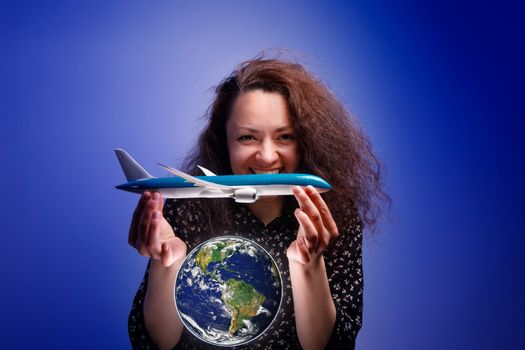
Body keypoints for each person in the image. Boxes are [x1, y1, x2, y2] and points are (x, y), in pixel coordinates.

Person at [127, 55, 389, 349]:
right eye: (248, 137)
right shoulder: (187, 209)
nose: (267, 156)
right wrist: (167, 264)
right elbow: (156, 343)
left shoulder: (335, 215)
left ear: (307, 139)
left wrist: (308, 265)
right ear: (223, 141)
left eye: (285, 137)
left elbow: (331, 345)